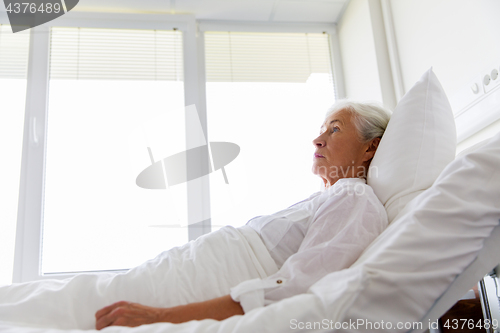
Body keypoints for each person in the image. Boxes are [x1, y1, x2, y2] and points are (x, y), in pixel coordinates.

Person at [94, 100, 392, 330]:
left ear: (370, 148)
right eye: (323, 128)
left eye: (335, 129)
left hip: (208, 282)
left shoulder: (354, 196)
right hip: (193, 268)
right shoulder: (328, 197)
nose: (318, 139)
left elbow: (295, 289)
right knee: (90, 296)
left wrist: (160, 317)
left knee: (92, 304)